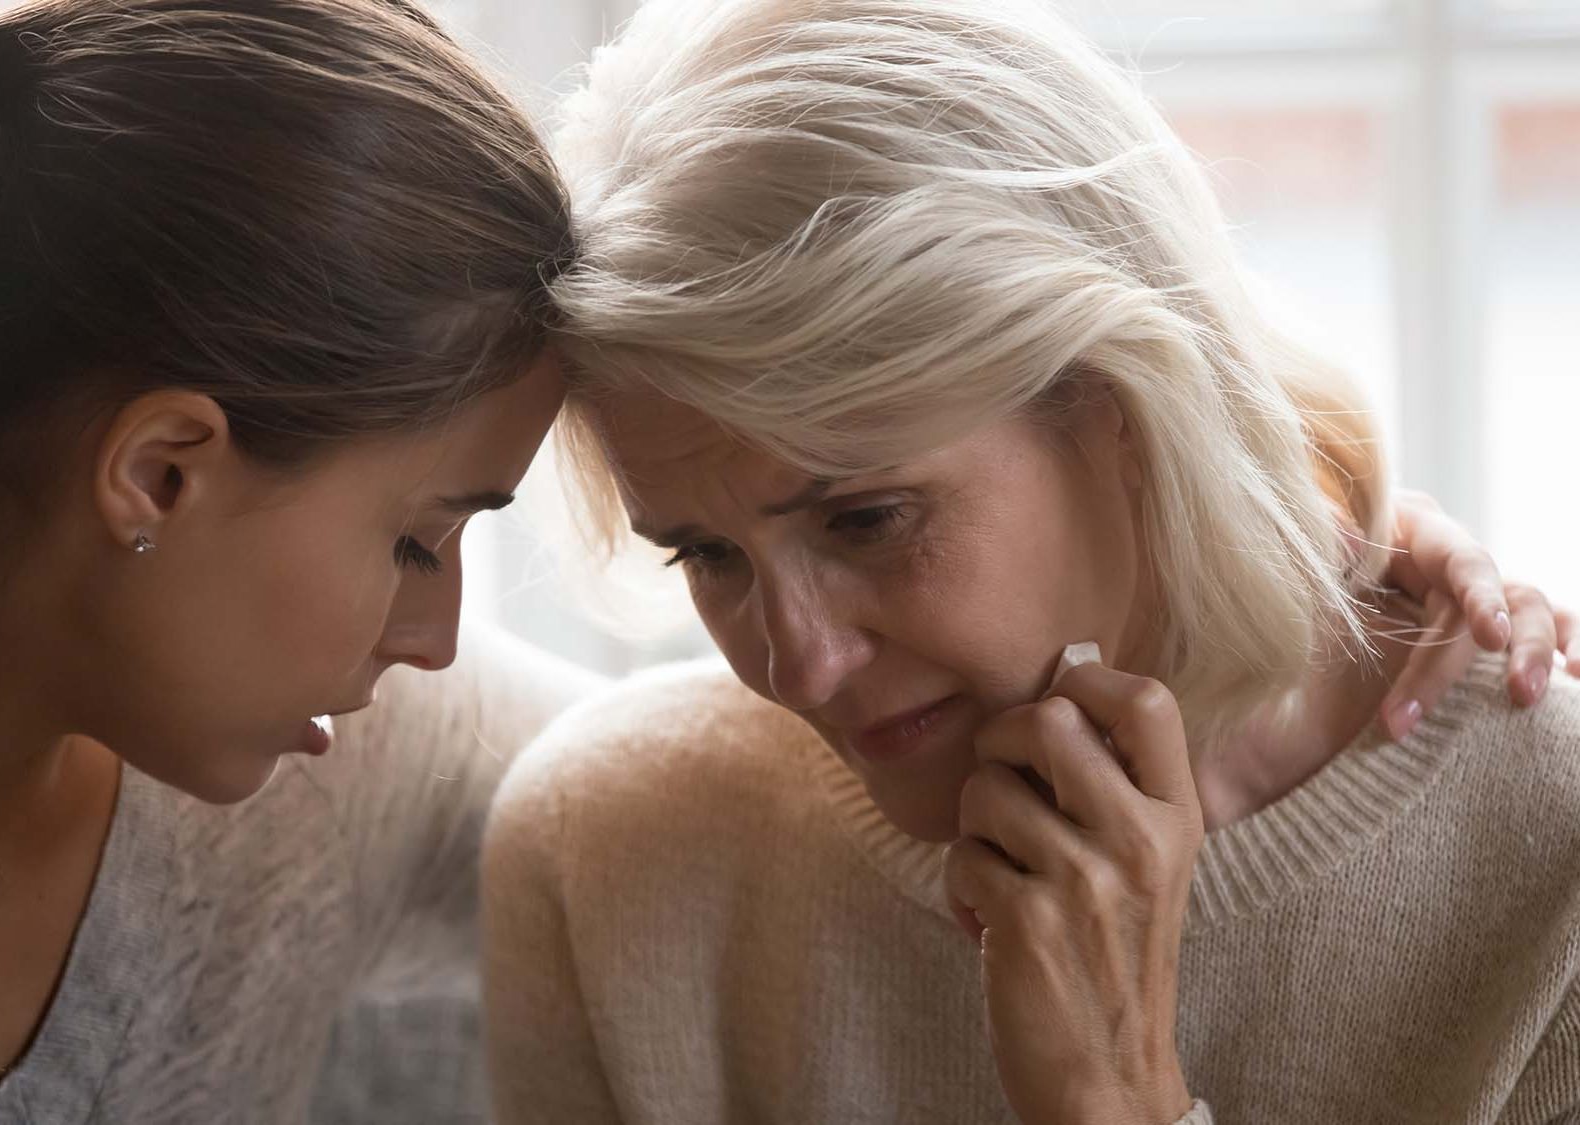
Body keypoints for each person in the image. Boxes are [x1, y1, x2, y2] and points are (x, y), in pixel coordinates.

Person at [481, 1, 1580, 1121]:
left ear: (1124, 405)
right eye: (709, 556)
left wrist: (1116, 1101)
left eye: (868, 520)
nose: (798, 668)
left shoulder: (1553, 879)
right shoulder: (605, 853)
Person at [0, 2, 602, 1121]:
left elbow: (746, 794)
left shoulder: (343, 763)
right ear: (161, 473)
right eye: (417, 542)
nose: (435, 641)